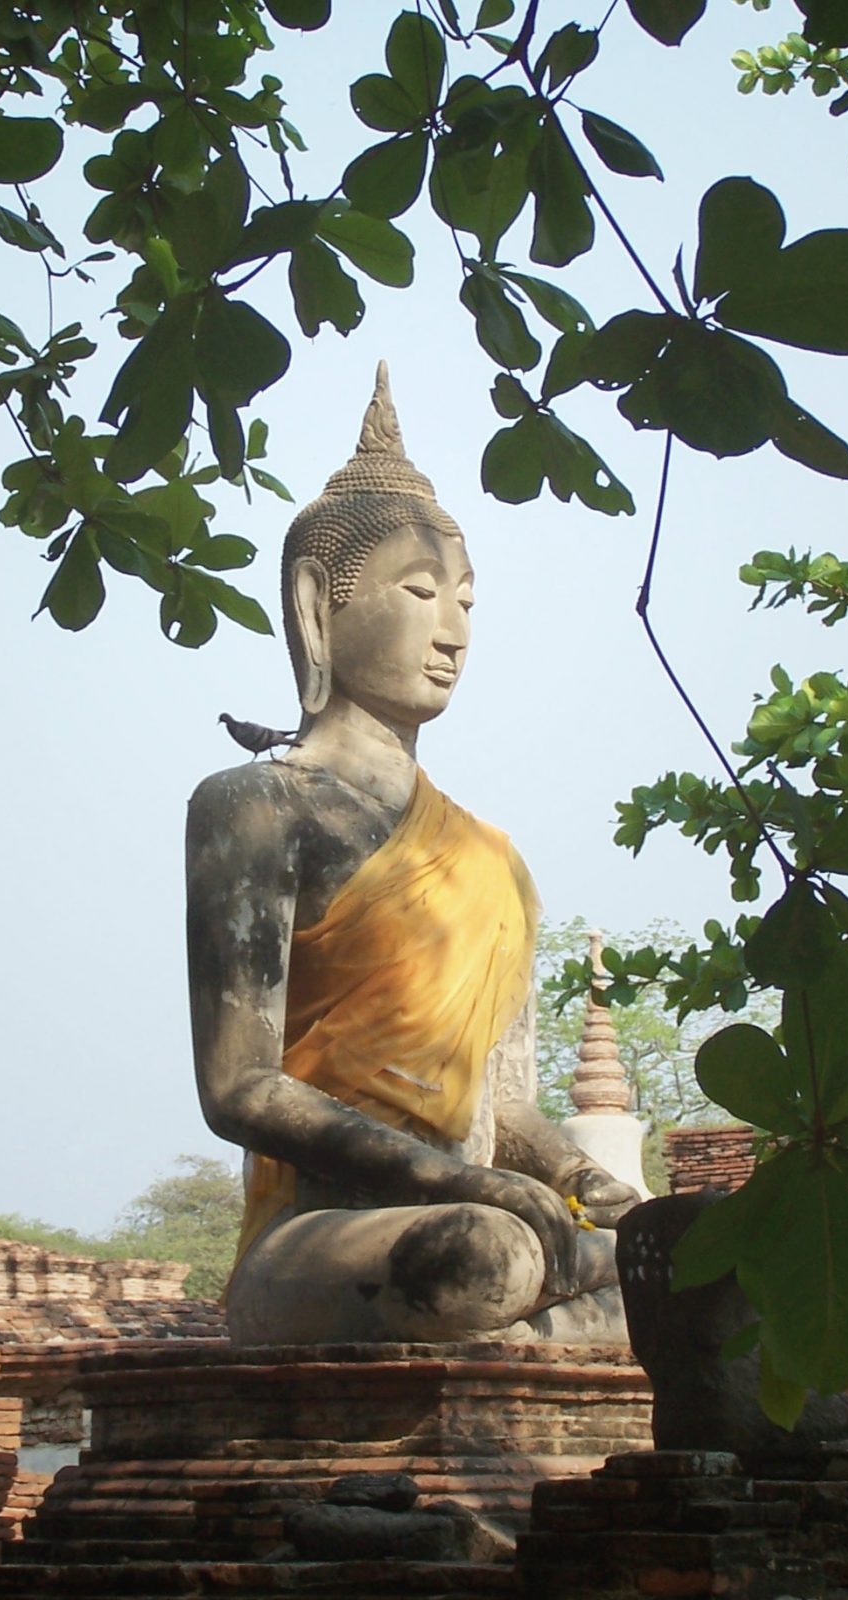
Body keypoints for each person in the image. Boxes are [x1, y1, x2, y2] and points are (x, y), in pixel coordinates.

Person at [184, 365, 637, 1345]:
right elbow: (239, 1086)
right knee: (484, 1256)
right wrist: (454, 1179)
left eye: (468, 599)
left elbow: (505, 1102)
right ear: (316, 607)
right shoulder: (254, 808)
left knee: (691, 1262)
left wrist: (593, 1183)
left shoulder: (493, 860)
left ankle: (543, 1332)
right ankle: (531, 1325)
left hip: (485, 1203)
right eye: (421, 590)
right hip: (323, 1233)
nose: (454, 632)